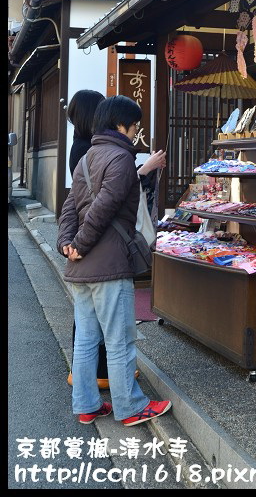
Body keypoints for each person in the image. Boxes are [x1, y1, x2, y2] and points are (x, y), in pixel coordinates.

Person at [58, 95, 171, 426]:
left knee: (86, 340)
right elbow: (104, 207)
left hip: (81, 267)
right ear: (122, 124)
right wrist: (78, 242)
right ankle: (131, 407)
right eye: (135, 125)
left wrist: (67, 243)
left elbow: (70, 207)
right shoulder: (121, 158)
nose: (136, 131)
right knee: (120, 339)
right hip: (108, 264)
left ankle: (87, 404)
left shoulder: (86, 158)